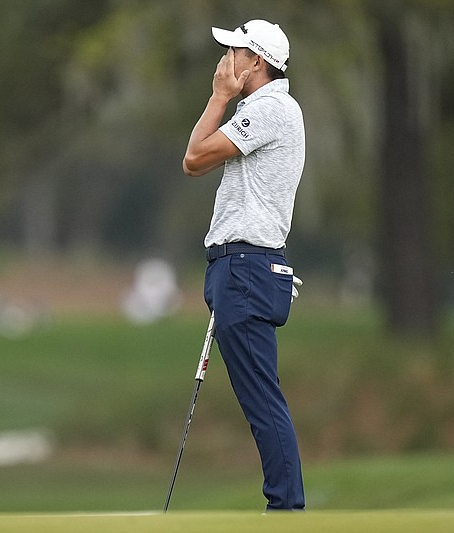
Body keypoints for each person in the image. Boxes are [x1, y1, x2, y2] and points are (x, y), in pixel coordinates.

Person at [182, 19, 306, 512]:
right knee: (261, 401)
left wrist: (217, 97)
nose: (225, 60)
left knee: (263, 403)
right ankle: (285, 507)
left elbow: (193, 158)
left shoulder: (271, 107)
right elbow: (195, 162)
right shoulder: (262, 109)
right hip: (240, 270)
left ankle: (286, 510)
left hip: (247, 270)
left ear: (256, 61)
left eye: (233, 51)